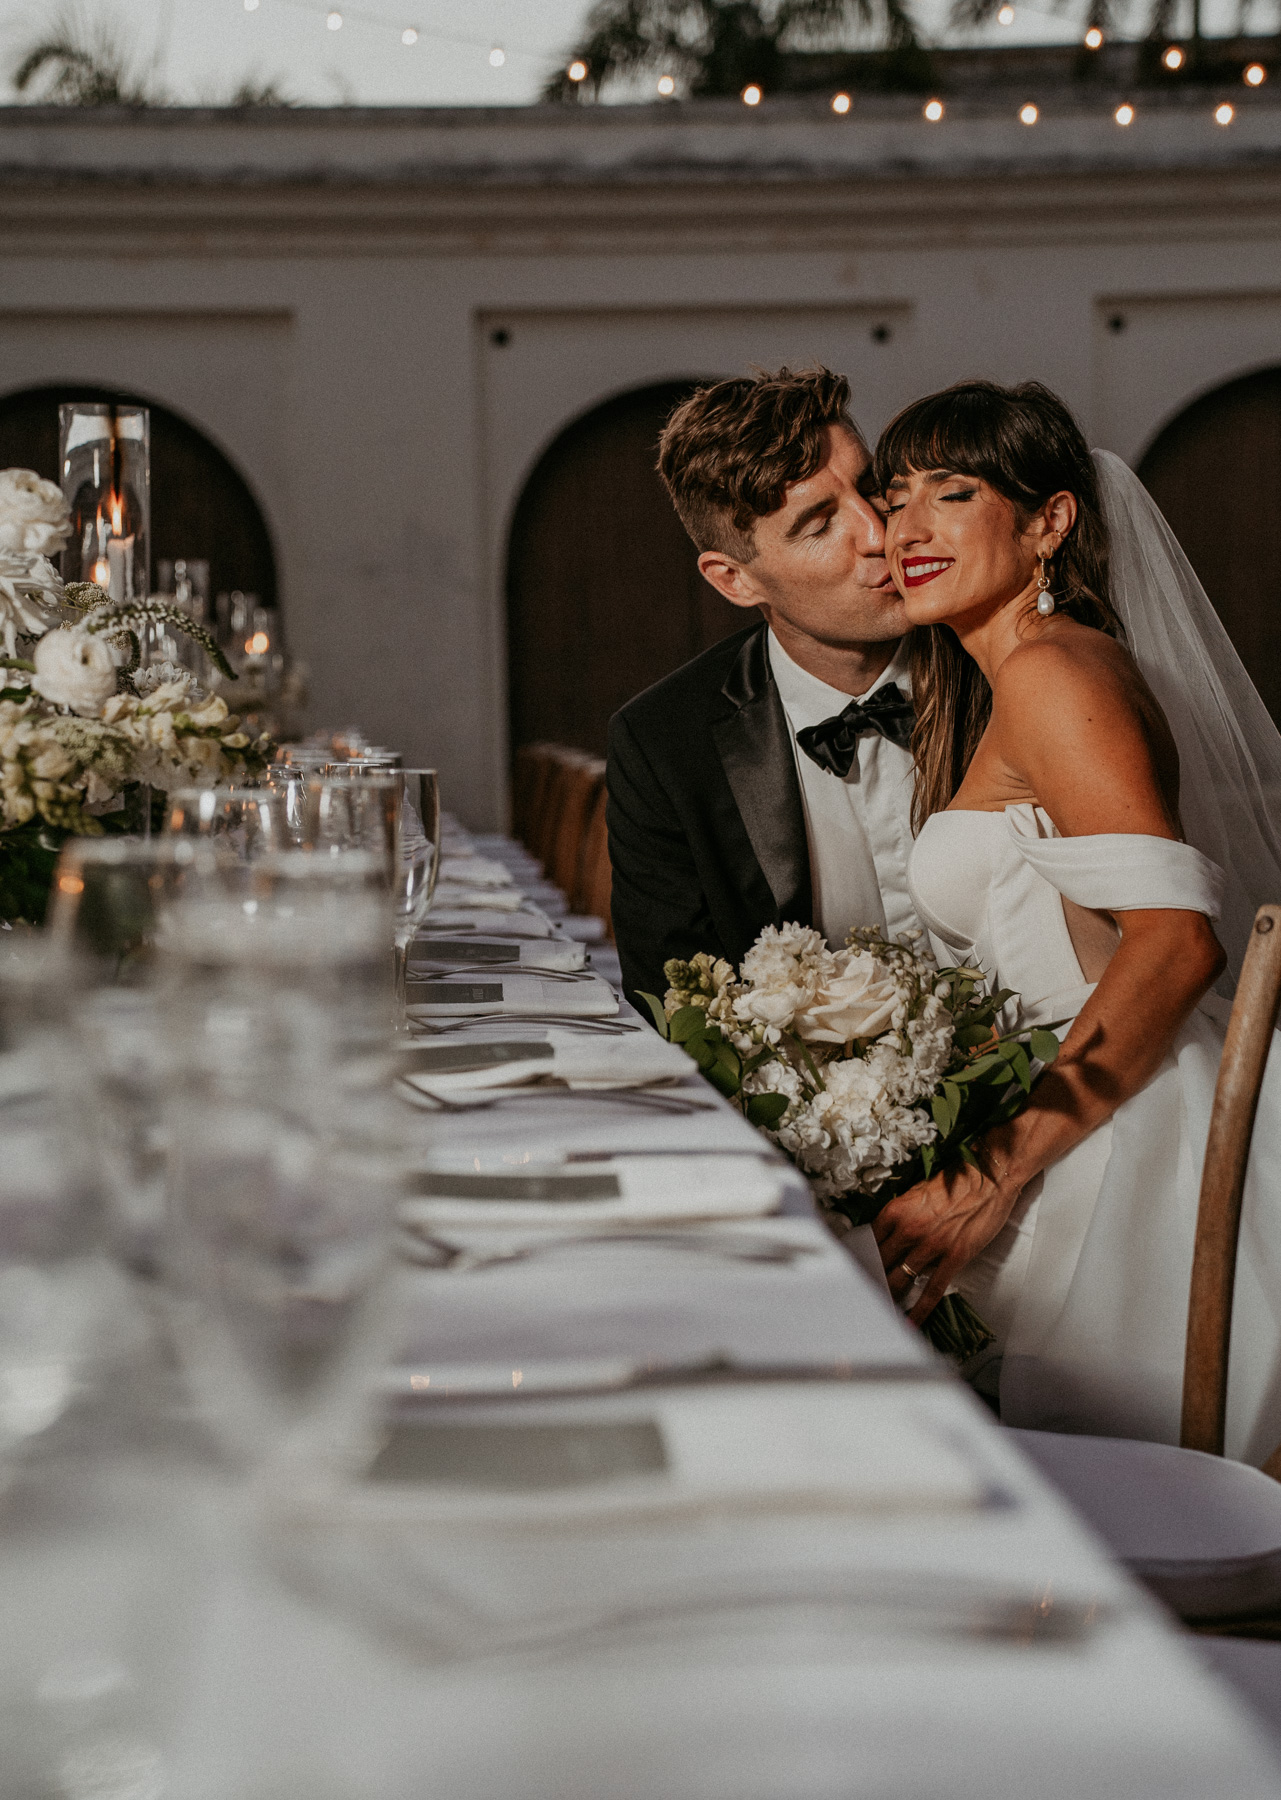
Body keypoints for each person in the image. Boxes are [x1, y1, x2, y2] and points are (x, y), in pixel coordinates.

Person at [869, 378, 1281, 1464]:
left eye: (951, 493)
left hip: (1127, 1143)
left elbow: (1175, 941)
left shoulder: (1054, 672)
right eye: (894, 495)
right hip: (1088, 1106)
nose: (906, 527)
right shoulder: (1019, 675)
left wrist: (998, 1169)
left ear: (1049, 522)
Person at [607, 367, 919, 1011]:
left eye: (871, 488)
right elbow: (677, 1012)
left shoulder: (1010, 673)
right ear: (734, 581)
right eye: (819, 524)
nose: (878, 535)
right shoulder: (665, 743)